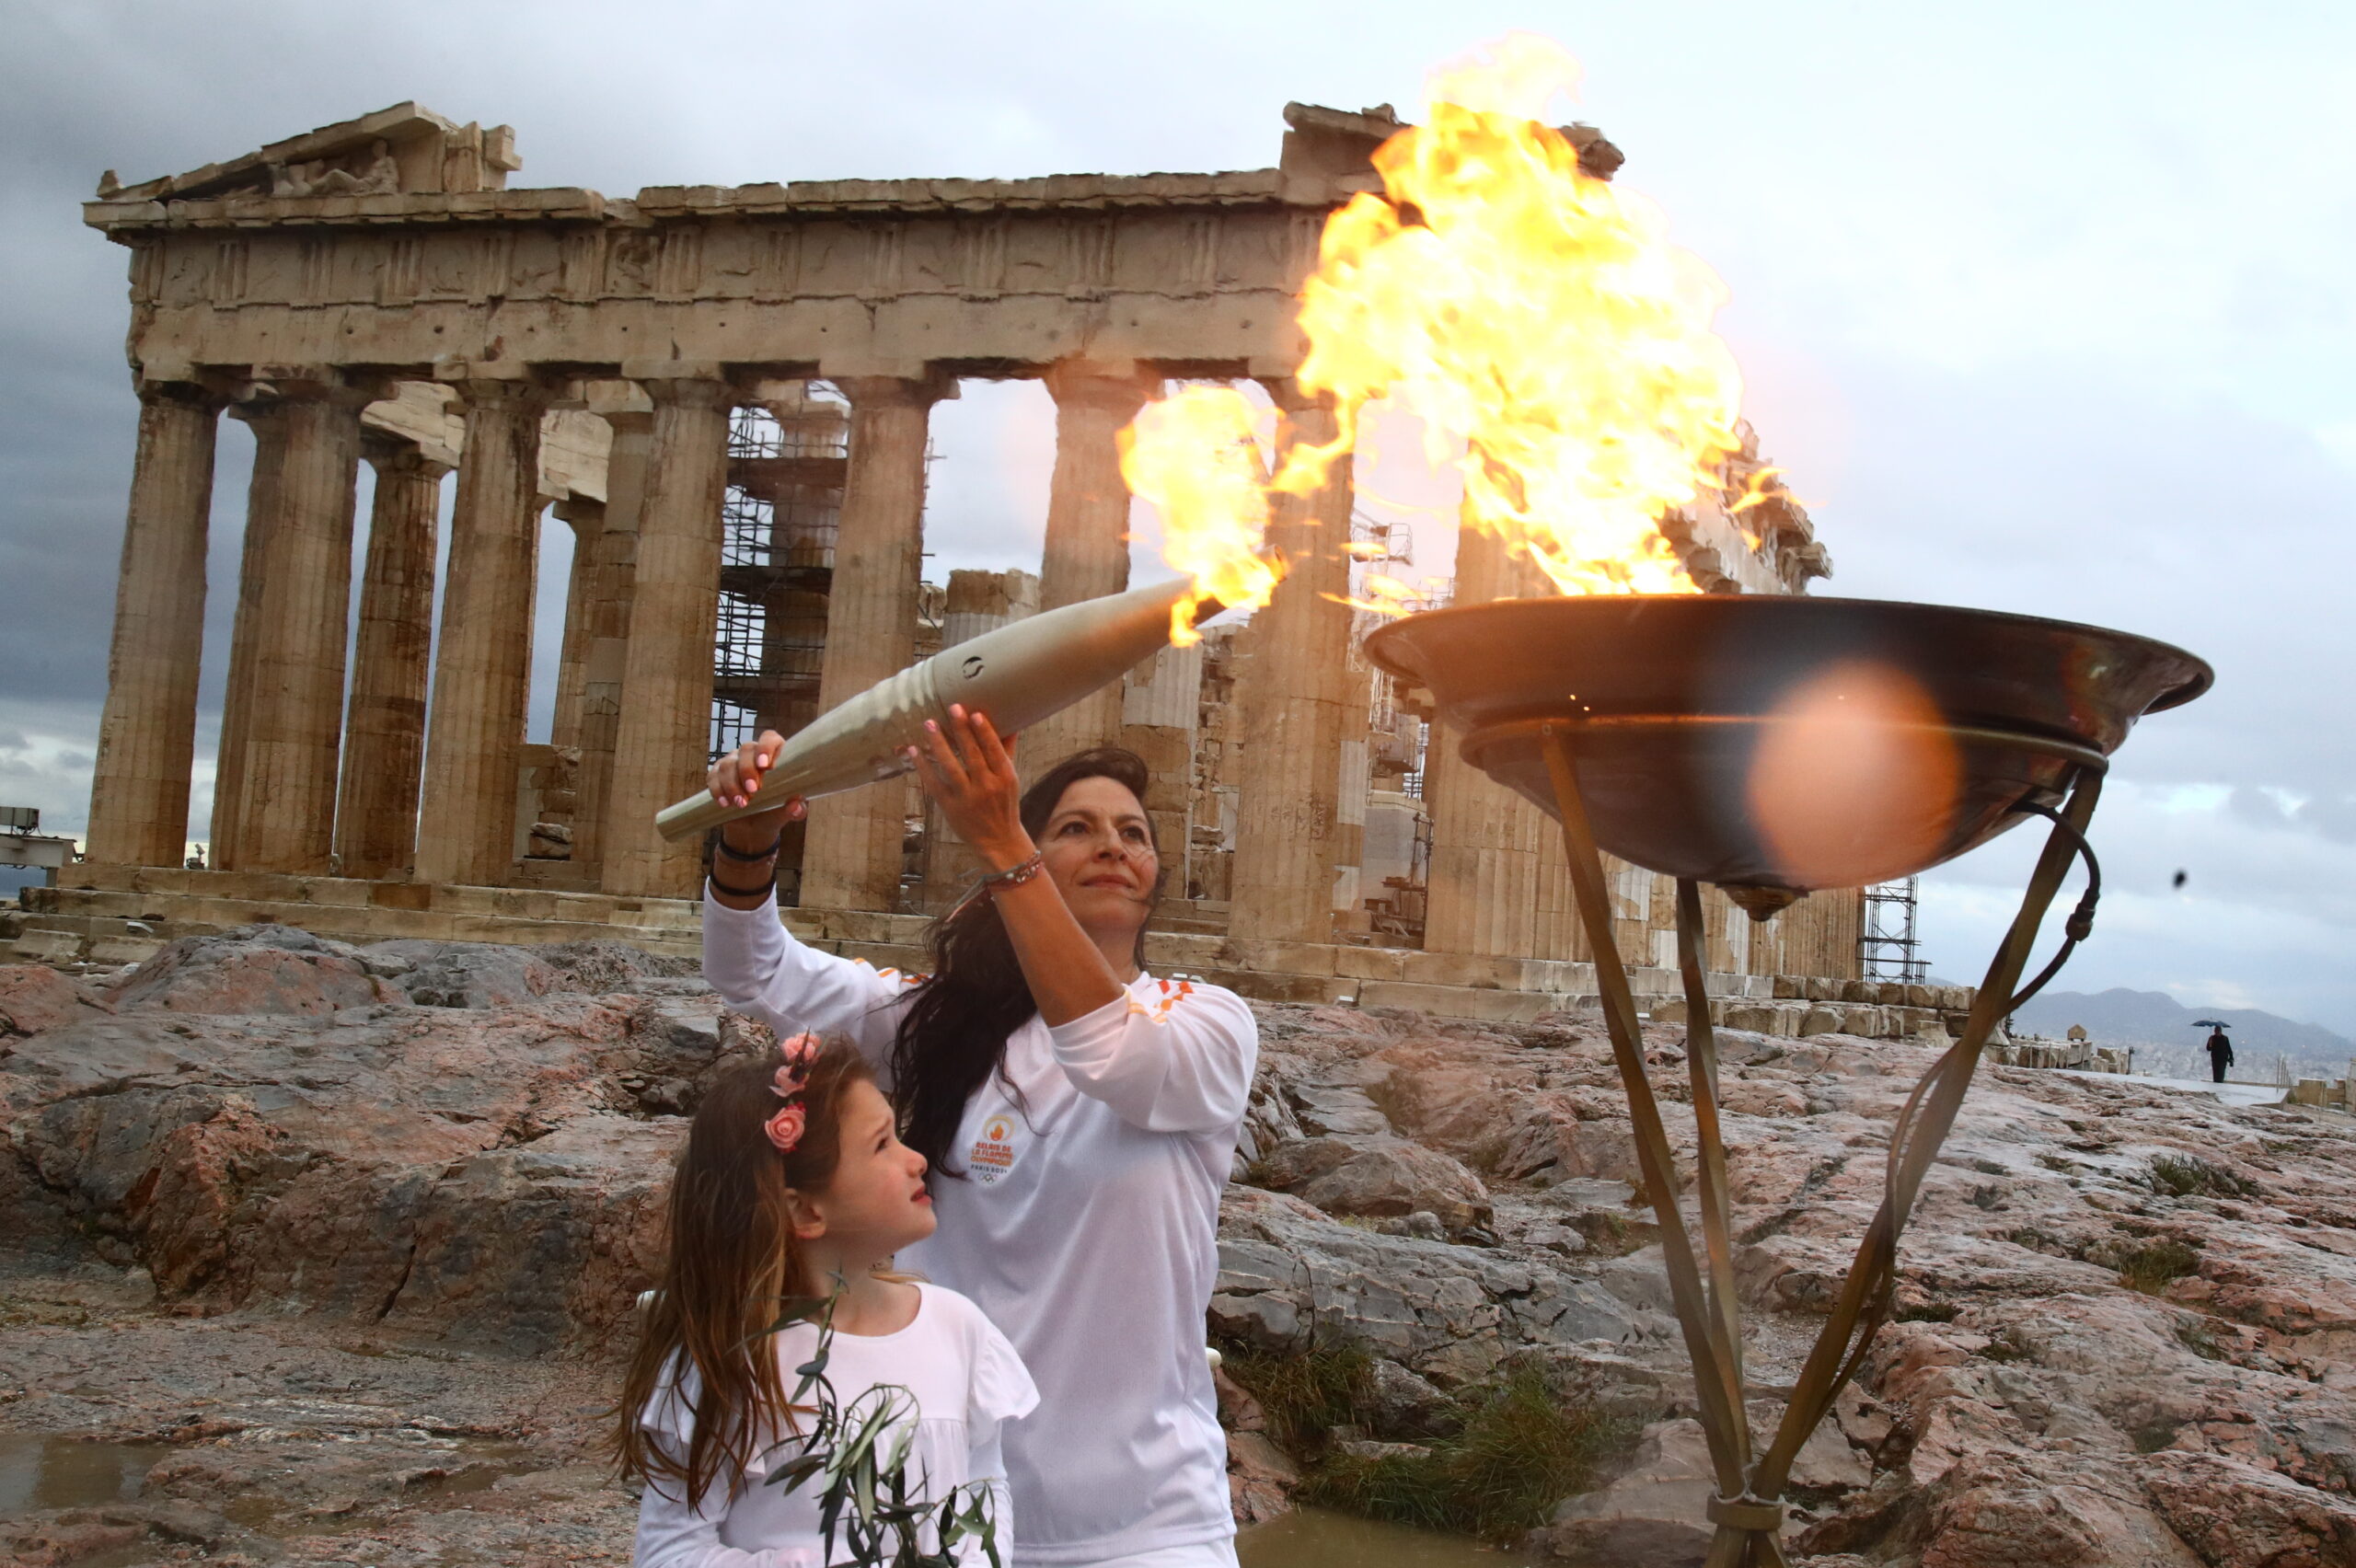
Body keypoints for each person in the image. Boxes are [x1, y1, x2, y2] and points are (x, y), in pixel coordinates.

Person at [701, 708, 1258, 1568]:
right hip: (937, 1510)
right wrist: (749, 840)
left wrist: (1008, 846)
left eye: (1133, 833)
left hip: (1147, 1524)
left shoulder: (1204, 1022)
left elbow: (1110, 1053)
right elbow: (755, 970)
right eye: (1075, 829)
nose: (1112, 845)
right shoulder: (938, 1023)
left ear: (1154, 874)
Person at [618, 1032, 1038, 1567]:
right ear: (804, 1212)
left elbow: (985, 1482)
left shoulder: (958, 1327)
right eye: (882, 1144)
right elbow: (666, 1553)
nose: (916, 1160)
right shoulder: (729, 1356)